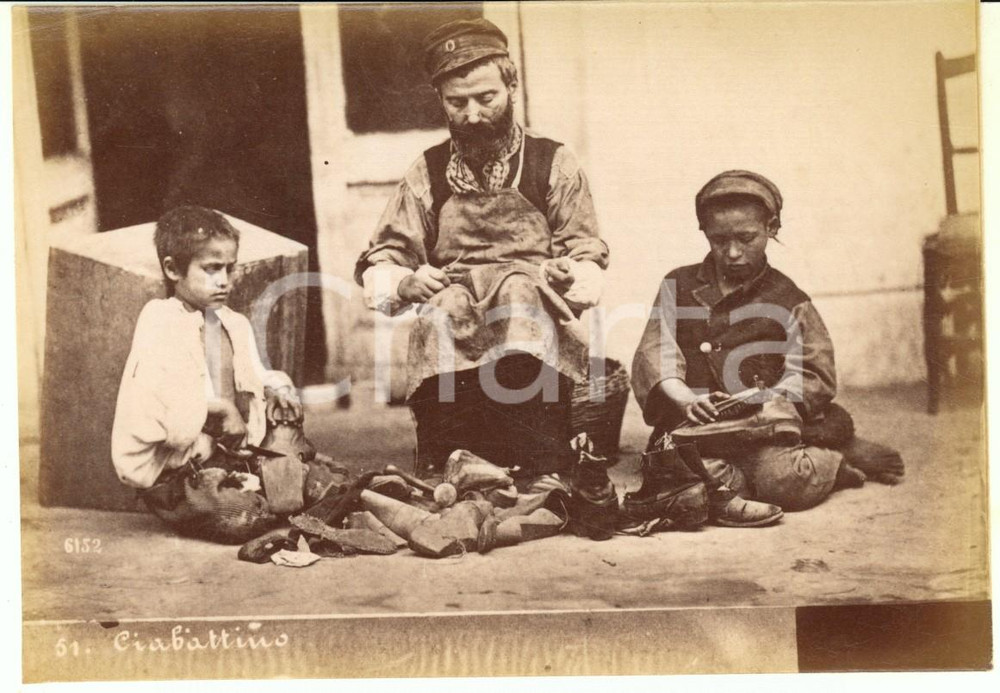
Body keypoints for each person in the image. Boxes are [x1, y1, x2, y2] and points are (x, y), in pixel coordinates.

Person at [356, 19, 609, 484]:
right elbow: (385, 253)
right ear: (441, 101)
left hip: (532, 296)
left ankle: (541, 459)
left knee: (517, 297)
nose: (472, 115)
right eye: (457, 102)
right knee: (443, 309)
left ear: (512, 86)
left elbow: (584, 247)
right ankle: (452, 458)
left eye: (486, 98)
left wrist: (568, 272)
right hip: (460, 296)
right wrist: (409, 281)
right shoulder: (427, 172)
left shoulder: (551, 161)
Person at [629, 170, 904, 528]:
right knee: (685, 483)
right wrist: (684, 398)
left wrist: (765, 401)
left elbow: (815, 374)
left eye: (747, 238)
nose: (732, 252)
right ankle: (744, 481)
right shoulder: (677, 285)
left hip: (764, 430)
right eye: (718, 240)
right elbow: (656, 349)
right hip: (695, 429)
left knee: (783, 483)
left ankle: (834, 462)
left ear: (771, 228)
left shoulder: (788, 298)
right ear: (705, 234)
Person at [111, 205, 306, 543]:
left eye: (230, 269)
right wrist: (219, 409)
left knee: (309, 473)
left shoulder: (235, 323)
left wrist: (276, 389)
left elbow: (254, 377)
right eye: (212, 269)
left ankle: (279, 491)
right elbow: (160, 407)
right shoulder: (160, 321)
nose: (225, 281)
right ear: (173, 269)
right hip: (180, 470)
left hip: (229, 455)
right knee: (236, 516)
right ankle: (267, 499)